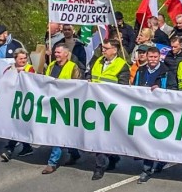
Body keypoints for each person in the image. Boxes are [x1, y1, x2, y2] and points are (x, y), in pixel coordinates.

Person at [87, 39, 129, 180]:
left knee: (103, 137)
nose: (103, 50)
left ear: (115, 50)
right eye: (102, 47)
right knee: (98, 136)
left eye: (106, 48)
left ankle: (99, 167)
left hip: (110, 107)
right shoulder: (98, 61)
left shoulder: (122, 66)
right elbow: (89, 75)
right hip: (94, 104)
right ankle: (112, 157)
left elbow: (122, 88)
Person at [42, 44, 82, 174]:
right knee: (65, 132)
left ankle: (52, 162)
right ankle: (74, 152)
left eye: (59, 52)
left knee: (58, 133)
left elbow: (78, 86)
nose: (56, 54)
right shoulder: (51, 65)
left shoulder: (73, 67)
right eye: (55, 52)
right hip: (53, 103)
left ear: (66, 53)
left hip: (67, 105)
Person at [134, 47, 171, 183]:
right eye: (151, 57)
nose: (153, 60)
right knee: (145, 138)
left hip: (159, 111)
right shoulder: (141, 70)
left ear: (159, 57)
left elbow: (173, 89)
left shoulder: (166, 72)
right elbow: (134, 87)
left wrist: (161, 91)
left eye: (155, 57)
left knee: (155, 139)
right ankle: (149, 164)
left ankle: (148, 168)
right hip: (143, 109)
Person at [0, 48, 35, 161]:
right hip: (12, 101)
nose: (23, 60)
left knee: (17, 125)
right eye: (21, 58)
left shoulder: (30, 69)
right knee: (15, 125)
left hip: (24, 101)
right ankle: (26, 146)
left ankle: (9, 149)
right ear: (15, 59)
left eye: (25, 58)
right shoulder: (9, 69)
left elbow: (33, 83)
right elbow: (2, 85)